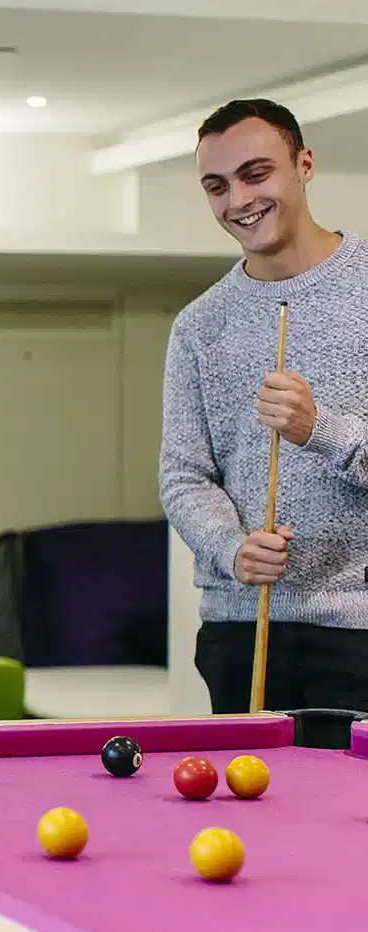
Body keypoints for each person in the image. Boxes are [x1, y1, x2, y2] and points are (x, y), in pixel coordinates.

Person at [160, 98, 368, 714]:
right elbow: (183, 476)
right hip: (240, 628)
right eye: (217, 186)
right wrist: (232, 548)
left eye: (256, 173)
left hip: (357, 629)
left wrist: (320, 429)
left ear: (305, 165)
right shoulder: (199, 325)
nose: (239, 199)